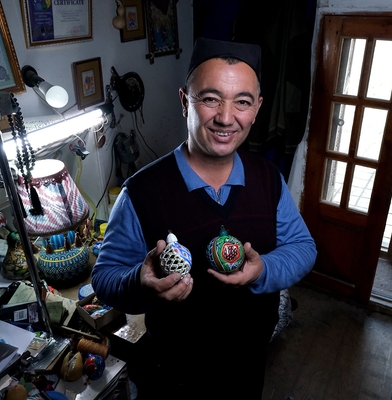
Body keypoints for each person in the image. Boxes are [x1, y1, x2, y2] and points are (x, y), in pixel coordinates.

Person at [92, 37, 317, 400]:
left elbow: (303, 248)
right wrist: (140, 282)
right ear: (185, 102)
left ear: (257, 108)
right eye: (211, 99)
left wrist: (262, 270)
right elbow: (104, 278)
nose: (226, 118)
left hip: (248, 367)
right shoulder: (141, 192)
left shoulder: (268, 180)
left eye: (242, 102)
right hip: (173, 377)